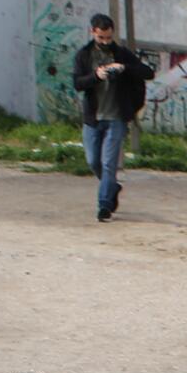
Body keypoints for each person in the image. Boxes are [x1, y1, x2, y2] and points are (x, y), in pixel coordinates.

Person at [71, 13, 154, 222]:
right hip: (93, 118)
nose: (106, 42)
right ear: (93, 33)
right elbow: (78, 83)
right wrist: (96, 76)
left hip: (116, 117)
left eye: (109, 38)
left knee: (109, 163)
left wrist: (124, 68)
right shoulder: (84, 55)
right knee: (93, 162)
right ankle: (112, 187)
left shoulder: (122, 54)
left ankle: (104, 205)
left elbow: (147, 72)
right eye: (101, 38)